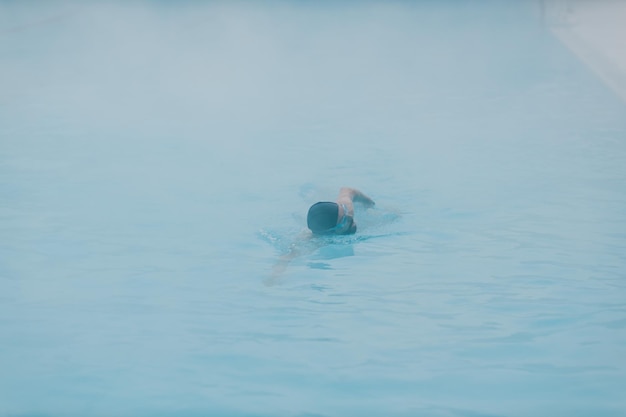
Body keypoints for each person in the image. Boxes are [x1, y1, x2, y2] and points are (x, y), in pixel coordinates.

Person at [306, 187, 375, 236]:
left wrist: (370, 204)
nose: (349, 217)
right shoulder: (316, 243)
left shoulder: (348, 210)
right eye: (344, 220)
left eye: (344, 210)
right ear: (331, 232)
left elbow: (347, 190)